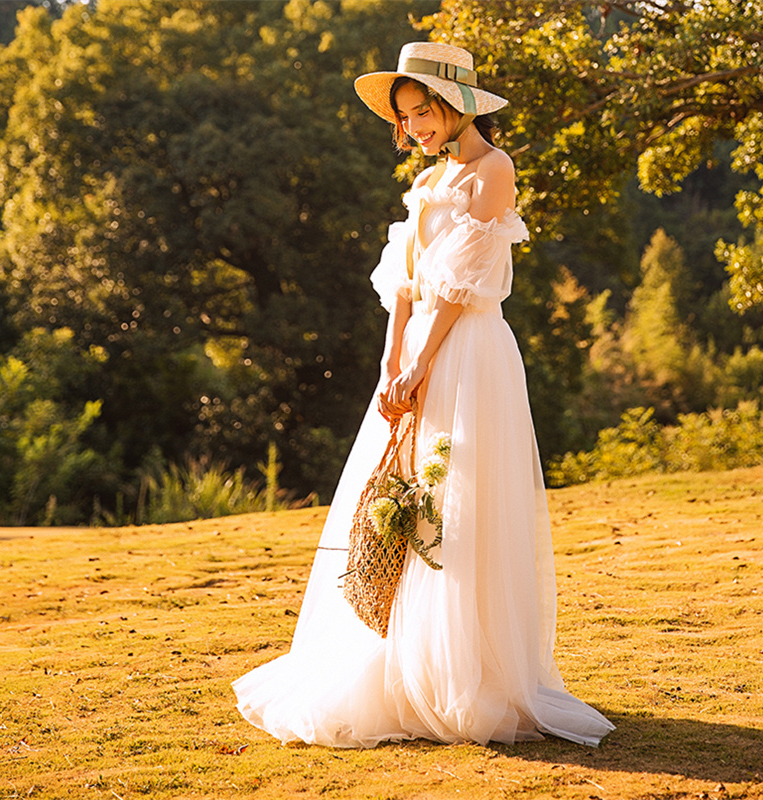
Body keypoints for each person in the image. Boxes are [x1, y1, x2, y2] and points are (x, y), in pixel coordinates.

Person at [232, 41, 615, 748]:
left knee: (459, 502)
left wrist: (422, 366)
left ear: (457, 104)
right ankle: (405, 664)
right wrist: (390, 365)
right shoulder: (428, 182)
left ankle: (470, 675)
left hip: (470, 353)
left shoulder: (492, 171)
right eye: (405, 118)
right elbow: (406, 287)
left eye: (422, 112)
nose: (414, 128)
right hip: (416, 356)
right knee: (400, 501)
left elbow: (457, 291)